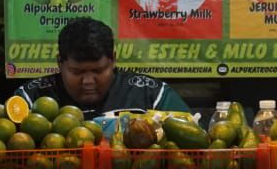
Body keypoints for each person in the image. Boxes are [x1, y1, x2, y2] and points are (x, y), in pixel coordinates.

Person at [14, 17, 189, 117]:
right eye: (77, 72)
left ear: (113, 61)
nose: (88, 81)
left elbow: (195, 141)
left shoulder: (151, 95)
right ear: (60, 63)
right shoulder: (31, 97)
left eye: (98, 71)